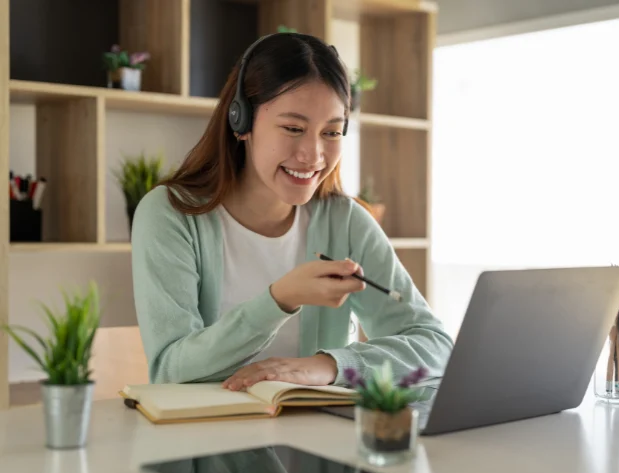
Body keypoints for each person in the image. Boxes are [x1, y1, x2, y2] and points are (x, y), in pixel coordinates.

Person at [130, 32, 453, 391]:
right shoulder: (170, 214)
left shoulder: (344, 221)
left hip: (315, 439)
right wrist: (279, 300)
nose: (313, 155)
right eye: (293, 128)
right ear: (241, 122)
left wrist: (330, 366)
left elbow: (435, 346)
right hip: (206, 438)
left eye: (331, 133)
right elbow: (171, 370)